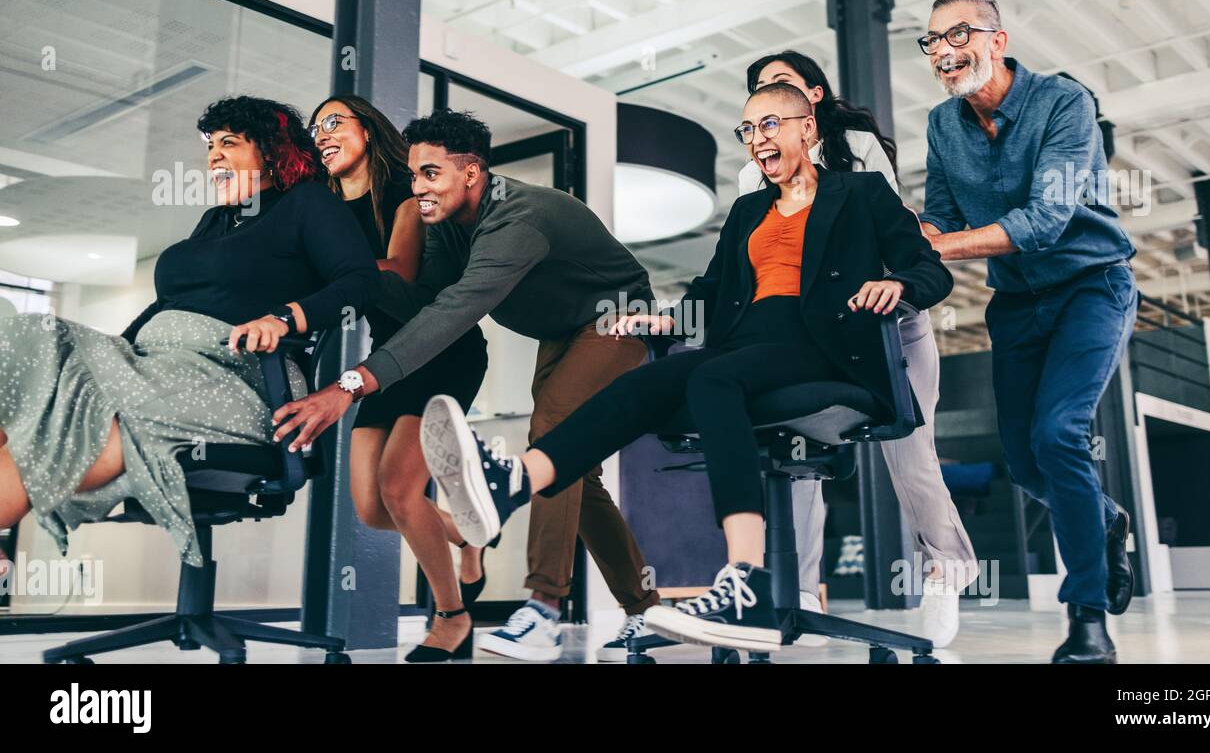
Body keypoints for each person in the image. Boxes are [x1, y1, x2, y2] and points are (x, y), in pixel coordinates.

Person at [416, 83, 954, 652]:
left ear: (808, 128)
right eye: (748, 130)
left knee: (711, 378)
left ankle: (746, 580)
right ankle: (513, 483)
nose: (757, 140)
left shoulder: (861, 193)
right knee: (649, 383)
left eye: (770, 125)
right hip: (747, 345)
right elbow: (713, 293)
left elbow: (931, 269)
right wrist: (663, 320)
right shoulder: (749, 209)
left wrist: (896, 284)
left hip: (825, 345)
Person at [270, 109, 662, 662]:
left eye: (431, 174)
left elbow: (454, 312)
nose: (418, 189)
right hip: (560, 332)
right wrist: (351, 280)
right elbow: (421, 302)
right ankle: (645, 611)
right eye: (412, 176)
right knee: (578, 470)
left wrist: (350, 384)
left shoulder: (518, 217)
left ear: (472, 173)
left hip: (617, 319)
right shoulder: (444, 226)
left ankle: (544, 608)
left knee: (553, 438)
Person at [0, 96, 379, 572]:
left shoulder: (307, 203)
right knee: (28, 350)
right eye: (210, 145)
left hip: (241, 376)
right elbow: (169, 305)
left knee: (100, 413)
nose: (213, 155)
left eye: (229, 143)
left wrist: (282, 318)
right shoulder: (217, 219)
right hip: (156, 362)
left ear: (270, 151)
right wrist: (109, 351)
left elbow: (359, 282)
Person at [917, 0, 1137, 664]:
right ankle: (1104, 518)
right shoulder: (941, 125)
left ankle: (1088, 616)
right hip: (1015, 303)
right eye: (932, 41)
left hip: (1090, 287)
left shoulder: (1063, 104)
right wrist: (910, 240)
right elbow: (940, 215)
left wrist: (941, 247)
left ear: (998, 39)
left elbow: (1046, 221)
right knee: (1023, 459)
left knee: (1058, 433)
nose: (945, 51)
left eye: (960, 33)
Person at [741, 50, 978, 647]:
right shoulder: (753, 179)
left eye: (782, 87)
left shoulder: (858, 153)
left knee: (911, 454)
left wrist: (892, 283)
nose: (769, 101)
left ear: (810, 100)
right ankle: (797, 592)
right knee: (795, 459)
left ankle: (946, 573)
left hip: (889, 323)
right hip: (817, 338)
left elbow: (894, 234)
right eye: (759, 95)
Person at [309, 94, 491, 662]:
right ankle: (467, 534)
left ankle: (452, 616)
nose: (323, 132)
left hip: (441, 348)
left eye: (335, 121)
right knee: (371, 507)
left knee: (398, 487)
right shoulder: (326, 211)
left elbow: (399, 271)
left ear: (368, 130)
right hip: (387, 356)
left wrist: (328, 282)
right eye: (316, 128)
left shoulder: (404, 195)